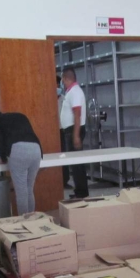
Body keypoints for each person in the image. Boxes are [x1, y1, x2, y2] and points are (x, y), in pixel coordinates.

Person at [0, 107, 42, 215]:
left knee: (21, 192)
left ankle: (24, 220)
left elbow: (0, 142)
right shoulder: (20, 115)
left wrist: (3, 158)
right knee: (29, 189)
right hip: (36, 149)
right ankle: (32, 220)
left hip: (18, 152)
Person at [60, 67, 88, 198]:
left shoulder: (75, 92)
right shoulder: (71, 92)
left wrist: (76, 136)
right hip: (71, 130)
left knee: (77, 163)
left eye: (62, 79)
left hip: (74, 130)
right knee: (75, 163)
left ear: (66, 78)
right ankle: (79, 190)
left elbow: (77, 114)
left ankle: (82, 192)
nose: (62, 82)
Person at [57, 75, 71, 189]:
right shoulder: (48, 99)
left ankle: (65, 180)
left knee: (63, 155)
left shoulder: (64, 99)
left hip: (62, 130)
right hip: (51, 131)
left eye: (58, 85)